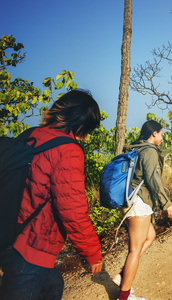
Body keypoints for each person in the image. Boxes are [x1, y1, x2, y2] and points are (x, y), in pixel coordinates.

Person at [0, 90, 104, 299]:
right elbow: (72, 210)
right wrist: (92, 253)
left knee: (53, 284)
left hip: (9, 233)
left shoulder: (30, 135)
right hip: (32, 248)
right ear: (82, 125)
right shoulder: (68, 150)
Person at [112, 120, 172, 300]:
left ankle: (122, 275)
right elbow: (152, 179)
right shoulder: (149, 151)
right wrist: (167, 203)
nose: (162, 138)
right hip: (139, 203)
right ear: (154, 133)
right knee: (135, 249)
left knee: (150, 235)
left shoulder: (134, 148)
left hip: (129, 201)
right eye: (161, 134)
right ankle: (123, 297)